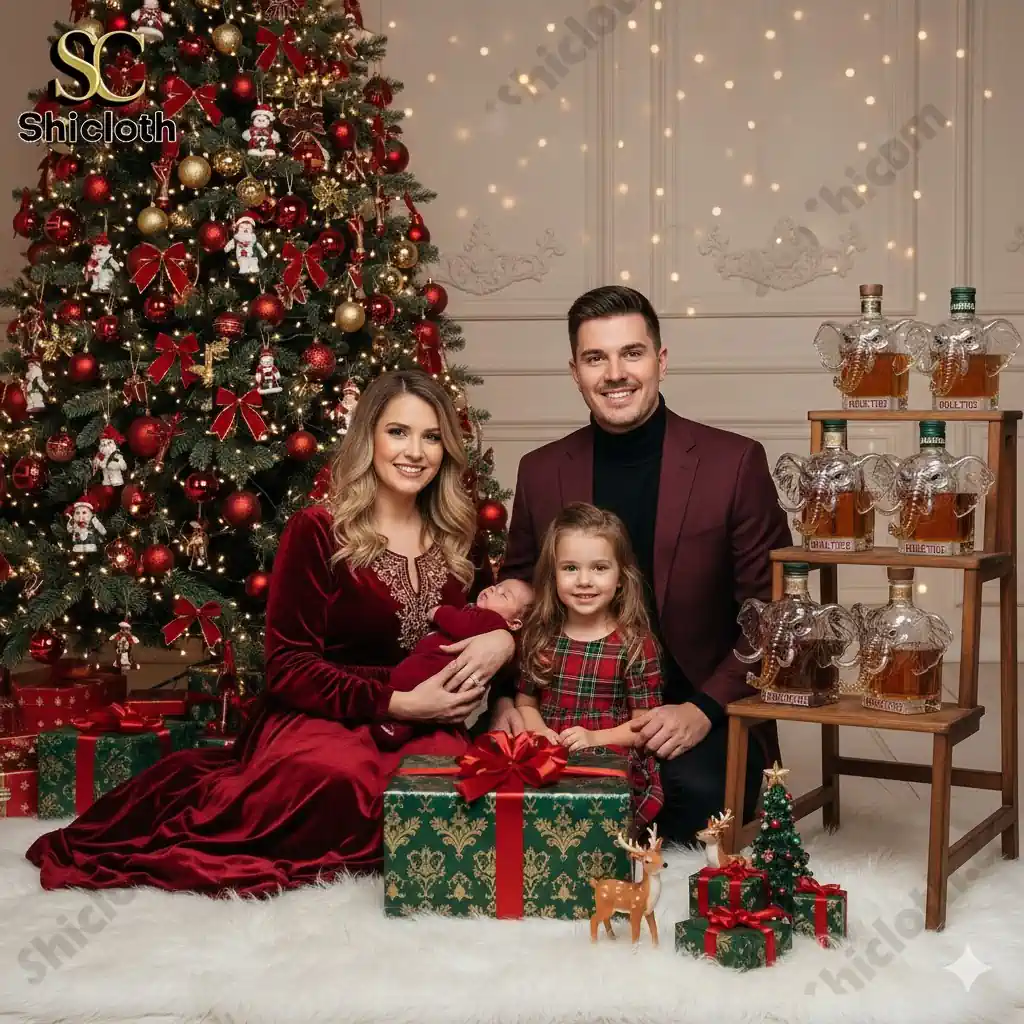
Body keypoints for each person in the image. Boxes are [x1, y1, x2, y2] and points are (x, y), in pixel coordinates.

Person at [26, 370, 517, 896]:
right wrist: (397, 702)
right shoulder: (318, 530)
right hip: (322, 707)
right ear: (368, 437)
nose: (415, 451)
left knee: (444, 786)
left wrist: (504, 644)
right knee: (339, 781)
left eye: (431, 436)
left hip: (428, 715)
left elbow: (489, 623)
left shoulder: (459, 534)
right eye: (398, 432)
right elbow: (289, 668)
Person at [492, 285, 792, 846]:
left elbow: (772, 614)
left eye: (631, 353)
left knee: (691, 809)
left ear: (661, 360)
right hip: (570, 707)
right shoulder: (540, 471)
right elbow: (520, 595)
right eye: (595, 357)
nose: (615, 373)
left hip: (693, 705)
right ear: (575, 371)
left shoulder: (734, 463)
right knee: (503, 791)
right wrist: (509, 701)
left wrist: (704, 708)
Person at [515, 503, 664, 830]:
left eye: (599, 568)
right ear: (553, 576)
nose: (584, 581)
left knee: (595, 824)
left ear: (621, 577)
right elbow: (525, 703)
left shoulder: (636, 646)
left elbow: (644, 726)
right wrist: (539, 732)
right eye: (570, 568)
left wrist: (594, 738)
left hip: (608, 757)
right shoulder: (540, 636)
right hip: (549, 753)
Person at [371, 577, 533, 751]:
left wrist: (440, 612)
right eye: (496, 586)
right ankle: (393, 726)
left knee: (409, 689)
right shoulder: (478, 614)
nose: (493, 590)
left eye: (504, 595)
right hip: (427, 665)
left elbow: (461, 624)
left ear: (514, 624)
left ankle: (392, 729)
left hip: (433, 670)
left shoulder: (492, 622)